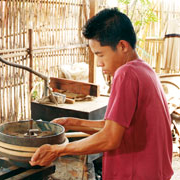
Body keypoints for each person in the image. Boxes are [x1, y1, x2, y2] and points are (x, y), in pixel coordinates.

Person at [29, 7, 174, 180]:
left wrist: (58, 150)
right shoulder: (144, 70)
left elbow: (110, 138)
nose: (98, 63)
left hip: (135, 174)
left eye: (100, 54)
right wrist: (70, 122)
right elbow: (115, 128)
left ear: (122, 46)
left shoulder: (126, 73)